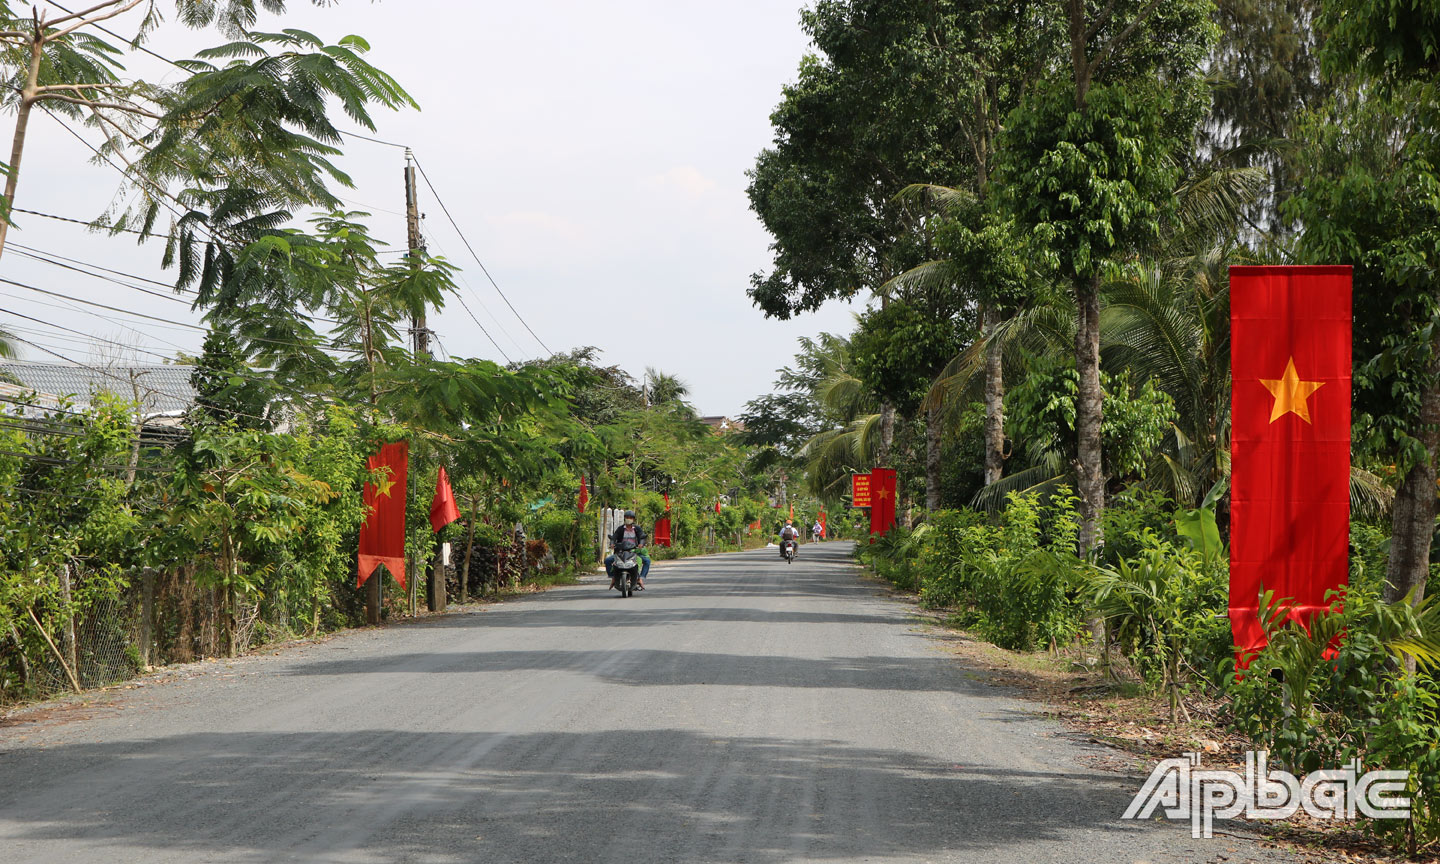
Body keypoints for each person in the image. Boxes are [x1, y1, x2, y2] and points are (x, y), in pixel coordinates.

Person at [606, 510, 651, 590]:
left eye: (630, 517)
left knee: (647, 561)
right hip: (621, 552)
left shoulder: (637, 529)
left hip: (634, 551)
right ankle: (613, 578)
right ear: (624, 518)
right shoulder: (620, 529)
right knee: (607, 560)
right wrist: (612, 543)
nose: (628, 519)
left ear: (633, 519)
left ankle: (640, 578)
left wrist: (641, 544)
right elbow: (614, 537)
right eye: (627, 517)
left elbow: (642, 537)